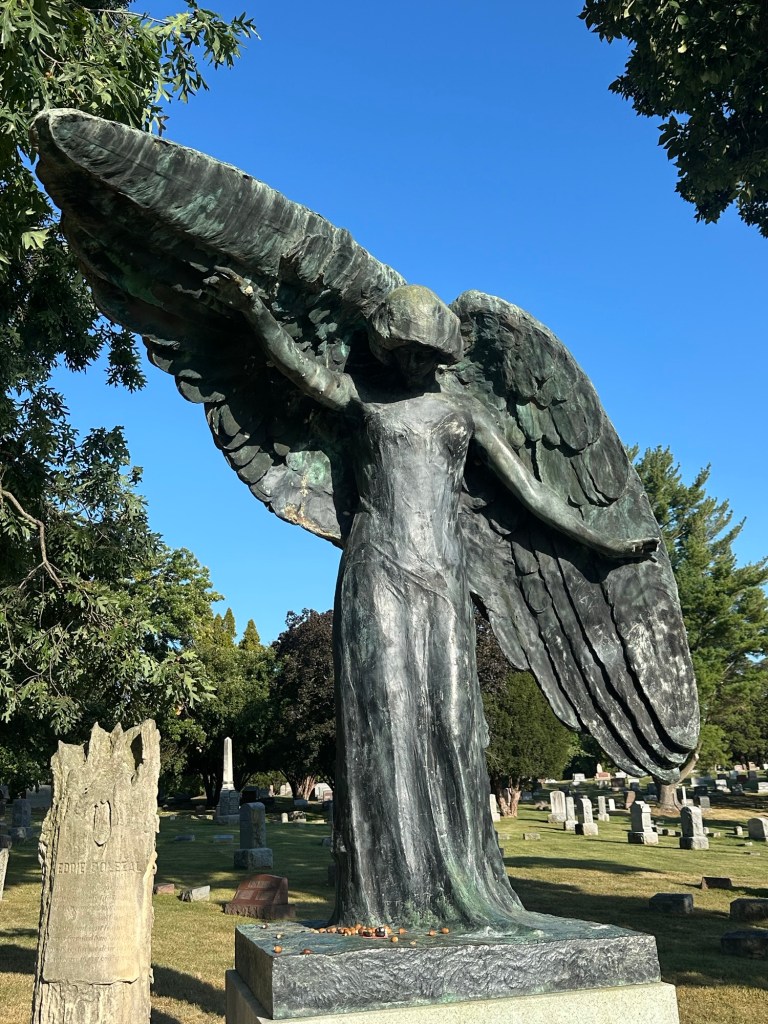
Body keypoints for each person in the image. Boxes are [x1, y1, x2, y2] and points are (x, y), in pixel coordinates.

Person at [206, 271, 656, 929]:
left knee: (449, 717)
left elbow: (531, 494)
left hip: (442, 574)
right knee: (381, 715)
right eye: (405, 350)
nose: (416, 362)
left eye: (427, 352)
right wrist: (254, 311)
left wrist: (604, 537)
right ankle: (379, 895)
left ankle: (458, 883)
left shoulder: (460, 413)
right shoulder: (363, 402)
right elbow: (301, 371)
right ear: (389, 349)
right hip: (377, 566)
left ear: (443, 353)